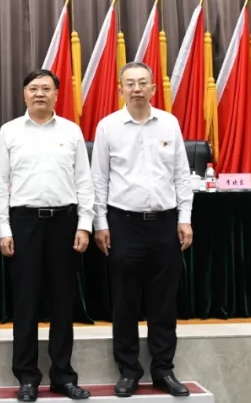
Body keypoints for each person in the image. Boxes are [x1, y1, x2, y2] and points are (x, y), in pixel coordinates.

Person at [91, 62, 194, 398]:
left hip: (165, 223)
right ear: (120, 89)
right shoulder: (108, 127)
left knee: (164, 302)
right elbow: (98, 180)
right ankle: (129, 371)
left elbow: (181, 175)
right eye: (130, 83)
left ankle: (163, 370)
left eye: (142, 83)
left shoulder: (169, 123)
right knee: (125, 302)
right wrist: (100, 223)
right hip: (123, 224)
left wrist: (184, 218)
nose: (136, 88)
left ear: (153, 88)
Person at [0, 69, 94, 401]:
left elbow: (84, 181)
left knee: (63, 302)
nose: (39, 93)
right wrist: (4, 228)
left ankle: (63, 376)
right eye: (33, 88)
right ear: (24, 94)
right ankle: (27, 377)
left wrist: (84, 224)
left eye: (46, 88)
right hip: (24, 223)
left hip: (64, 222)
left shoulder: (71, 131)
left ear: (56, 94)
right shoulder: (9, 131)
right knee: (26, 303)